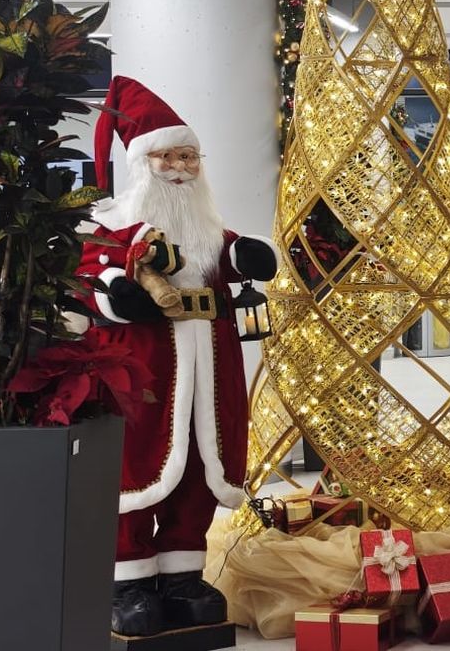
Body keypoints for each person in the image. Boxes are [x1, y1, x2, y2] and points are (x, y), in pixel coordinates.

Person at [78, 77, 280, 637]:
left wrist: (252, 254)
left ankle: (183, 574)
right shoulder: (112, 227)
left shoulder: (209, 227)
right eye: (167, 156)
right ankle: (129, 581)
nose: (180, 167)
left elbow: (234, 253)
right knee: (138, 464)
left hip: (211, 367)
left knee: (201, 464)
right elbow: (91, 278)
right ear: (144, 164)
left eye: (188, 156)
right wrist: (117, 294)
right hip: (143, 366)